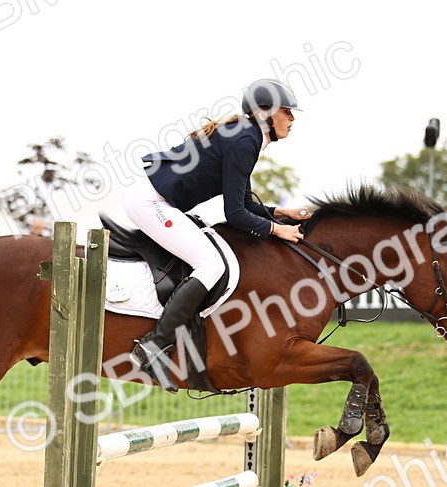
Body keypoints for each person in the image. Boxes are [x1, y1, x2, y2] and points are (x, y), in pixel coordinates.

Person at [124, 78, 312, 387]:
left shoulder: (247, 135)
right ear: (265, 113)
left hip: (158, 201)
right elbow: (234, 214)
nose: (292, 119)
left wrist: (281, 213)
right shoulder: (245, 140)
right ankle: (153, 345)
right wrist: (277, 230)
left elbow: (244, 204)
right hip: (151, 202)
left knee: (208, 259)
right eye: (287, 111)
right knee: (211, 265)